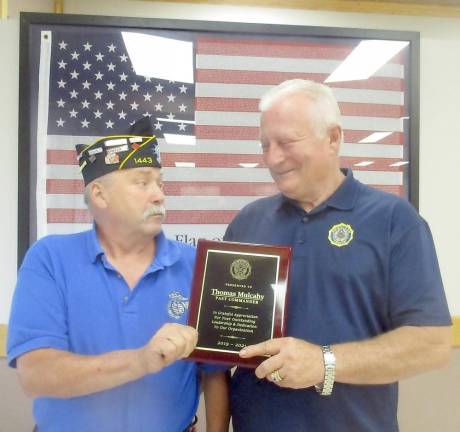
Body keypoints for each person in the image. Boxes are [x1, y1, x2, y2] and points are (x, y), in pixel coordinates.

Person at [223, 79, 452, 431]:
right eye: (265, 145)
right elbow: (224, 335)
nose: (272, 158)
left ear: (333, 138)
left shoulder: (394, 221)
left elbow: (432, 343)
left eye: (286, 142)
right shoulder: (248, 221)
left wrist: (324, 362)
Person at [7, 118, 230, 432]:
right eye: (142, 182)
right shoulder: (50, 260)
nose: (159, 196)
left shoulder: (197, 264)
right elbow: (35, 375)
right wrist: (141, 361)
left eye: (160, 184)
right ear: (99, 195)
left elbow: (214, 370)